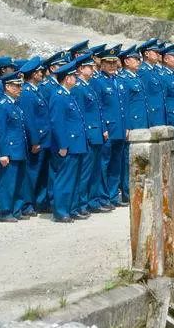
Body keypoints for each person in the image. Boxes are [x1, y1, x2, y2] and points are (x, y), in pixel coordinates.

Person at [72, 52, 112, 214]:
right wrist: (87, 134)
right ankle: (82, 203)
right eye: (90, 67)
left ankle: (93, 201)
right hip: (89, 135)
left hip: (97, 134)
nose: (93, 69)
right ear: (81, 69)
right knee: (85, 172)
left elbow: (98, 111)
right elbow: (80, 115)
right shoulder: (78, 88)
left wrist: (103, 129)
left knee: (95, 171)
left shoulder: (88, 86)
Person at [49, 60, 88, 222]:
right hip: (68, 145)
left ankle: (71, 208)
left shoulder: (68, 94)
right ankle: (60, 211)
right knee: (65, 178)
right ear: (67, 79)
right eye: (73, 76)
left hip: (77, 144)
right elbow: (57, 123)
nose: (76, 79)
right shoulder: (58, 96)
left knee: (75, 178)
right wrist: (63, 145)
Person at [89, 45, 127, 208]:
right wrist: (103, 127)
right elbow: (98, 108)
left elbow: (125, 107)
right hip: (108, 130)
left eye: (114, 63)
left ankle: (112, 195)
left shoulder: (119, 81)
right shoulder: (98, 82)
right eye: (108, 63)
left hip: (120, 129)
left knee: (115, 165)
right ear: (102, 64)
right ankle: (102, 197)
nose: (112, 66)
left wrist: (127, 126)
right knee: (103, 164)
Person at [0, 71, 29, 222]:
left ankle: (16, 209)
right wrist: (3, 153)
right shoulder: (2, 106)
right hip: (10, 150)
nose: (19, 88)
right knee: (7, 182)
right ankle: (5, 211)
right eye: (16, 86)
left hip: (19, 149)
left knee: (19, 181)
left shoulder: (14, 105)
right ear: (7, 87)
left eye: (20, 85)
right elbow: (0, 132)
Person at [19, 56, 51, 215]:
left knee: (42, 172)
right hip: (37, 139)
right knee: (32, 173)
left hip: (45, 139)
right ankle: (27, 204)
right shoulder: (26, 93)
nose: (42, 74)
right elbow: (29, 120)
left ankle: (40, 201)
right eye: (39, 71)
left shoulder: (36, 90)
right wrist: (35, 140)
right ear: (32, 74)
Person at [118, 45, 148, 202]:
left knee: (139, 158)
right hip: (132, 125)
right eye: (136, 59)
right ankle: (127, 192)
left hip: (141, 123)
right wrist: (127, 126)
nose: (139, 62)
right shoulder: (123, 79)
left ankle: (136, 188)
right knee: (127, 159)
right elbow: (125, 106)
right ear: (127, 61)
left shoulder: (136, 77)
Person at [138, 38, 166, 127]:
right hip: (152, 114)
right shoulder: (143, 71)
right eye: (155, 52)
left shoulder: (155, 70)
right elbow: (144, 95)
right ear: (146, 53)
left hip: (160, 112)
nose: (158, 54)